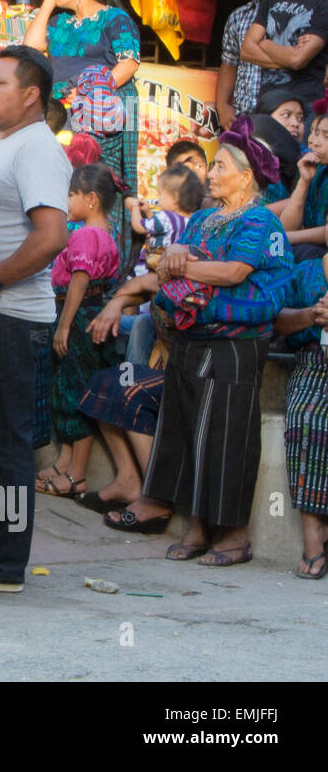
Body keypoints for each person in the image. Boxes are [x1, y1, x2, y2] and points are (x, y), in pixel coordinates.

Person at [105, 125, 294, 566]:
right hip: (190, 339)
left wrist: (185, 265)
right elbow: (160, 262)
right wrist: (181, 263)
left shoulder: (260, 221)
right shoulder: (205, 219)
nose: (210, 174)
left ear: (247, 178)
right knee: (186, 432)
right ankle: (196, 525)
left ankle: (234, 535)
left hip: (235, 347)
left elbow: (233, 273)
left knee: (226, 439)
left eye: (220, 166)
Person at [0, 45, 71, 594]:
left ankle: (4, 565)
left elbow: (52, 237)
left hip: (13, 316)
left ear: (31, 95)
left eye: (0, 83)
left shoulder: (38, 148)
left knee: (4, 443)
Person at [23, 0, 140, 270]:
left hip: (100, 117)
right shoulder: (61, 23)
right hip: (64, 112)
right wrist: (47, 4)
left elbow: (129, 63)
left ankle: (103, 261)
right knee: (67, 186)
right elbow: (32, 49)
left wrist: (91, 93)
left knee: (97, 187)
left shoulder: (115, 19)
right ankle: (69, 257)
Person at [36, 163, 123, 498]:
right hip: (84, 311)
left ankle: (77, 474)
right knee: (67, 389)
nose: (67, 200)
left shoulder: (87, 235)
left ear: (91, 199)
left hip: (78, 314)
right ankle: (66, 462)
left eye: (71, 194)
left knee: (76, 391)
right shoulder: (104, 233)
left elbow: (80, 280)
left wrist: (65, 325)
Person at [81, 271, 169, 513]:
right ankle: (128, 480)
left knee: (131, 391)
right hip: (163, 367)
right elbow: (140, 283)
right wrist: (116, 304)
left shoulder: (208, 280)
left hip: (194, 374)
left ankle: (156, 499)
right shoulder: (174, 274)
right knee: (103, 382)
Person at [242, 0, 328, 136]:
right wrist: (289, 56)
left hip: (303, 108)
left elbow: (299, 59)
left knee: (295, 164)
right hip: (268, 103)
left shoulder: (324, 3)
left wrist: (266, 44)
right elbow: (246, 50)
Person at [274, 254, 328, 578]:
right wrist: (311, 315)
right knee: (305, 421)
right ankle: (313, 536)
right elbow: (275, 320)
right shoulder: (304, 273)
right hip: (312, 366)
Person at [121, 163, 206, 364]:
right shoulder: (193, 222)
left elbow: (140, 227)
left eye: (161, 194)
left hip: (156, 276)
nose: (159, 199)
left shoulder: (166, 217)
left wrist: (134, 208)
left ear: (175, 198)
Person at [216, 0, 287, 130]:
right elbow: (229, 63)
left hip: (283, 119)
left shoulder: (299, 13)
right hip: (244, 116)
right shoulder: (240, 16)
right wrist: (222, 106)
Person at [277, 103, 328, 260]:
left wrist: (287, 237)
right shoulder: (317, 169)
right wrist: (304, 182)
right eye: (314, 132)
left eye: (326, 137)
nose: (314, 141)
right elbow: (287, 226)